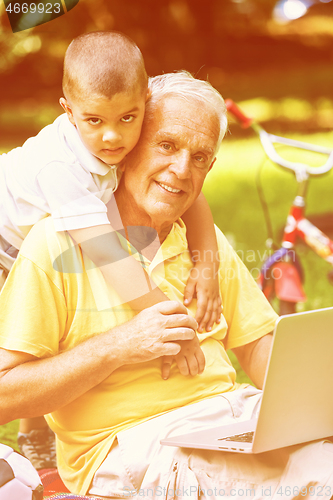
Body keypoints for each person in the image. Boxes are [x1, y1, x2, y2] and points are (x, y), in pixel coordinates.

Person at [1, 71, 332, 499]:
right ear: (131, 144)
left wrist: (316, 403)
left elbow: (257, 345)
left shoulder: (198, 244)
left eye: (199, 158)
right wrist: (119, 345)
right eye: (167, 145)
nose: (181, 170)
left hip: (232, 420)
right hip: (135, 445)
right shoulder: (58, 243)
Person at [0, 32, 221, 468]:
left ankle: (35, 432)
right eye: (94, 121)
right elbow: (109, 256)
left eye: (127, 117)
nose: (112, 137)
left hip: (28, 241)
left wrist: (207, 265)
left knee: (55, 321)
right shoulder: (61, 168)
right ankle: (29, 438)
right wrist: (173, 326)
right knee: (18, 349)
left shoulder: (120, 132)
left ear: (145, 102)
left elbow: (191, 194)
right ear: (67, 111)